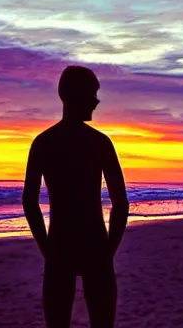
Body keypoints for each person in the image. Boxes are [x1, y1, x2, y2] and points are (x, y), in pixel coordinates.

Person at [22, 65, 130, 328]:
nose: (96, 101)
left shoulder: (43, 142)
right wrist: (109, 250)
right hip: (95, 245)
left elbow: (29, 201)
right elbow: (121, 203)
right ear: (73, 95)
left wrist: (46, 247)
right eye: (92, 94)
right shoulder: (100, 142)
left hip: (60, 245)